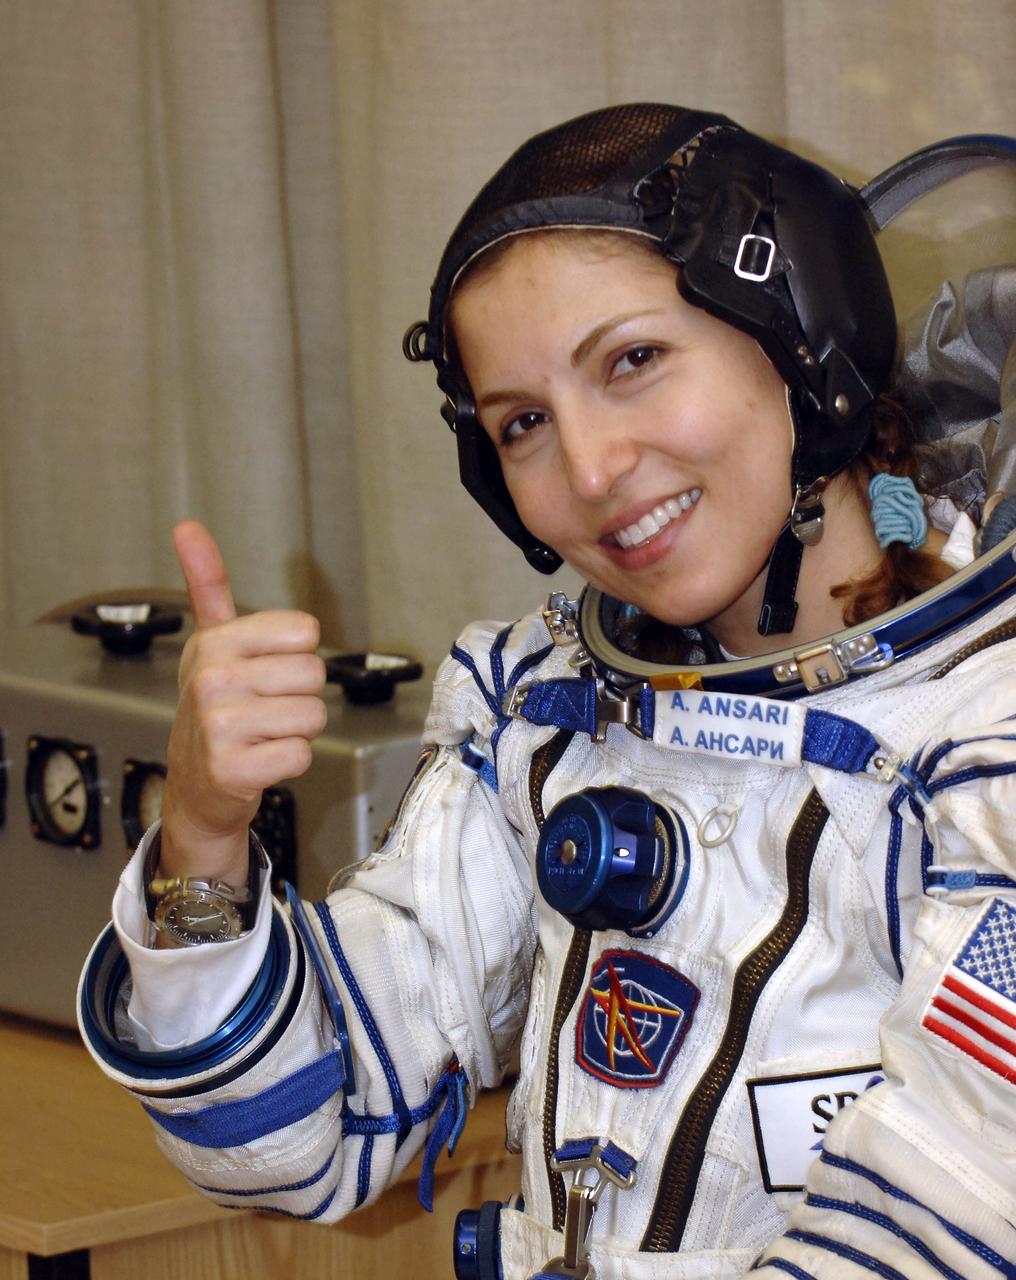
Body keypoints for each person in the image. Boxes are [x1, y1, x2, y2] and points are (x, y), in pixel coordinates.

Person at [80, 104, 1016, 1279]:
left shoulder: (981, 742)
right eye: (522, 422)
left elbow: (955, 1217)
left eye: (631, 361)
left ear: (803, 335)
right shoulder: (539, 707)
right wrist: (205, 841)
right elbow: (289, 1133)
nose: (588, 468)